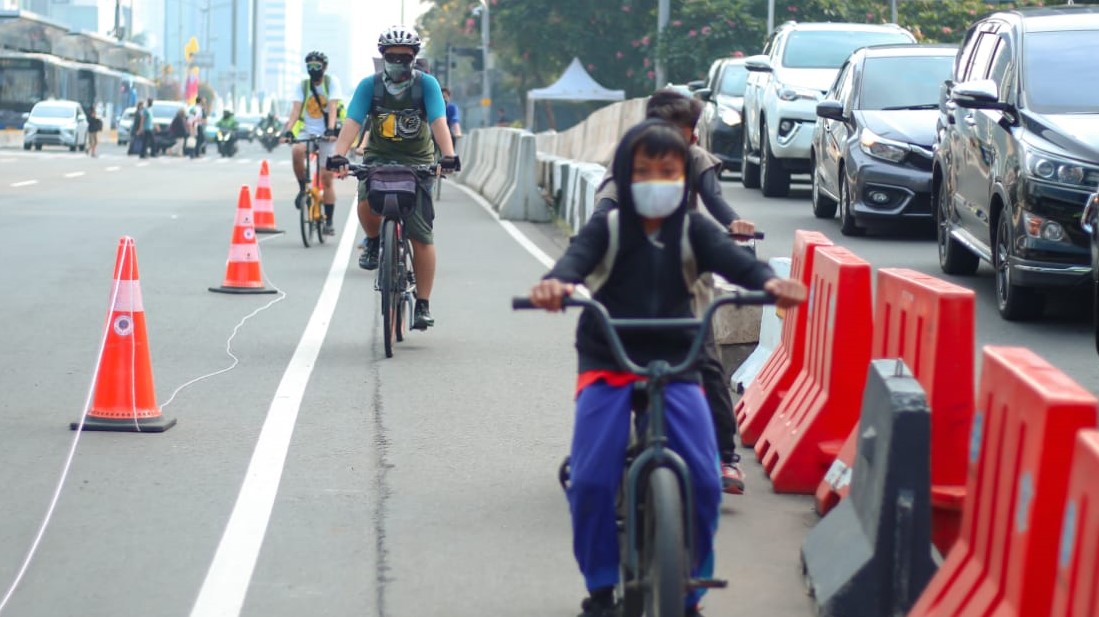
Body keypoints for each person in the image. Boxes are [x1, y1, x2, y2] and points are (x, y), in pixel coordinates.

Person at [528, 120, 807, 617]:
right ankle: (599, 588)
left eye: (668, 171)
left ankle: (690, 591)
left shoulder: (693, 228)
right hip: (609, 356)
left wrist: (771, 282)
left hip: (679, 358)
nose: (656, 181)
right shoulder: (607, 227)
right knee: (591, 479)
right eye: (642, 172)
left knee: (703, 479)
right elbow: (574, 260)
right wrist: (556, 285)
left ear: (684, 177)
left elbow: (735, 262)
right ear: (623, 177)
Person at [593, 89, 757, 495]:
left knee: (708, 364)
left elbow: (715, 200)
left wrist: (736, 224)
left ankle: (725, 457)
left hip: (684, 277)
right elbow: (606, 202)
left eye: (685, 135)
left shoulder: (695, 158)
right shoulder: (630, 156)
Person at [326, 25, 459, 331]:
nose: (399, 62)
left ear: (414, 58)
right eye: (393, 56)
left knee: (421, 234)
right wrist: (339, 154)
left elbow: (439, 120)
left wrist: (448, 155)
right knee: (365, 204)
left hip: (419, 162)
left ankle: (423, 304)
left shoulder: (426, 85)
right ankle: (373, 241)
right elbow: (353, 121)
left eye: (405, 57)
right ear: (383, 56)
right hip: (378, 159)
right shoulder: (368, 86)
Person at [280, 50, 344, 236]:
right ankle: (302, 189)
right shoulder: (303, 86)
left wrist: (331, 129)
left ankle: (329, 220)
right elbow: (295, 111)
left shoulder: (331, 83)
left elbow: (332, 107)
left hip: (326, 134)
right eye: (309, 66)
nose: (313, 69)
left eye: (317, 66)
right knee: (296, 151)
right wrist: (288, 131)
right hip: (307, 131)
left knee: (326, 178)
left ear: (324, 67)